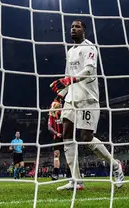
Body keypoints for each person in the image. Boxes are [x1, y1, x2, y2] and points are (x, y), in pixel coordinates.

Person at [50, 20, 124, 190]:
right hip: (71, 99)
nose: (73, 29)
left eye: (77, 26)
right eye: (71, 26)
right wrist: (58, 98)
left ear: (84, 31)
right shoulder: (70, 52)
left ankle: (115, 165)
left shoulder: (89, 48)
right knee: (66, 135)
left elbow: (89, 70)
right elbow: (67, 78)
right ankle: (76, 181)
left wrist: (70, 79)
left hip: (88, 99)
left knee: (86, 138)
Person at [48, 100, 64, 180]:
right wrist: (57, 133)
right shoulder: (52, 115)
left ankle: (69, 173)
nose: (61, 105)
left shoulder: (64, 113)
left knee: (69, 155)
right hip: (57, 137)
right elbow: (49, 127)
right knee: (56, 154)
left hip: (66, 137)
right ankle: (56, 173)